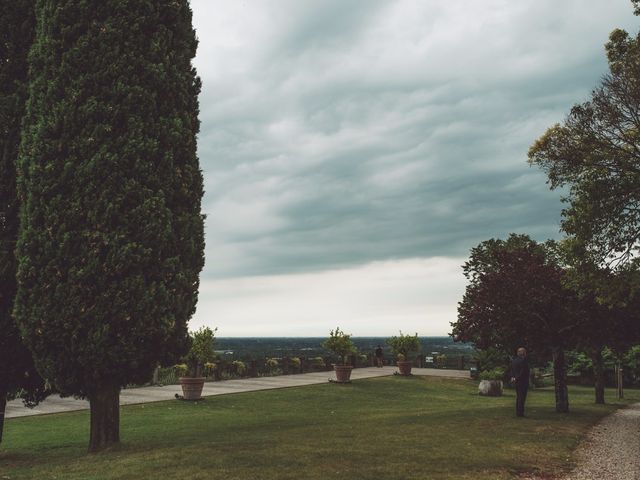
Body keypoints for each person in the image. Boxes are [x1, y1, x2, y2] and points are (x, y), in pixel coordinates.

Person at [510, 347, 530, 417]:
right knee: (522, 397)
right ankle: (520, 413)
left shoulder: (514, 361)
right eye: (524, 352)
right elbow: (523, 372)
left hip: (516, 381)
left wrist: (513, 377)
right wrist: (517, 378)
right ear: (523, 353)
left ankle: (518, 412)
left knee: (518, 397)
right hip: (522, 381)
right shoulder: (523, 361)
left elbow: (512, 370)